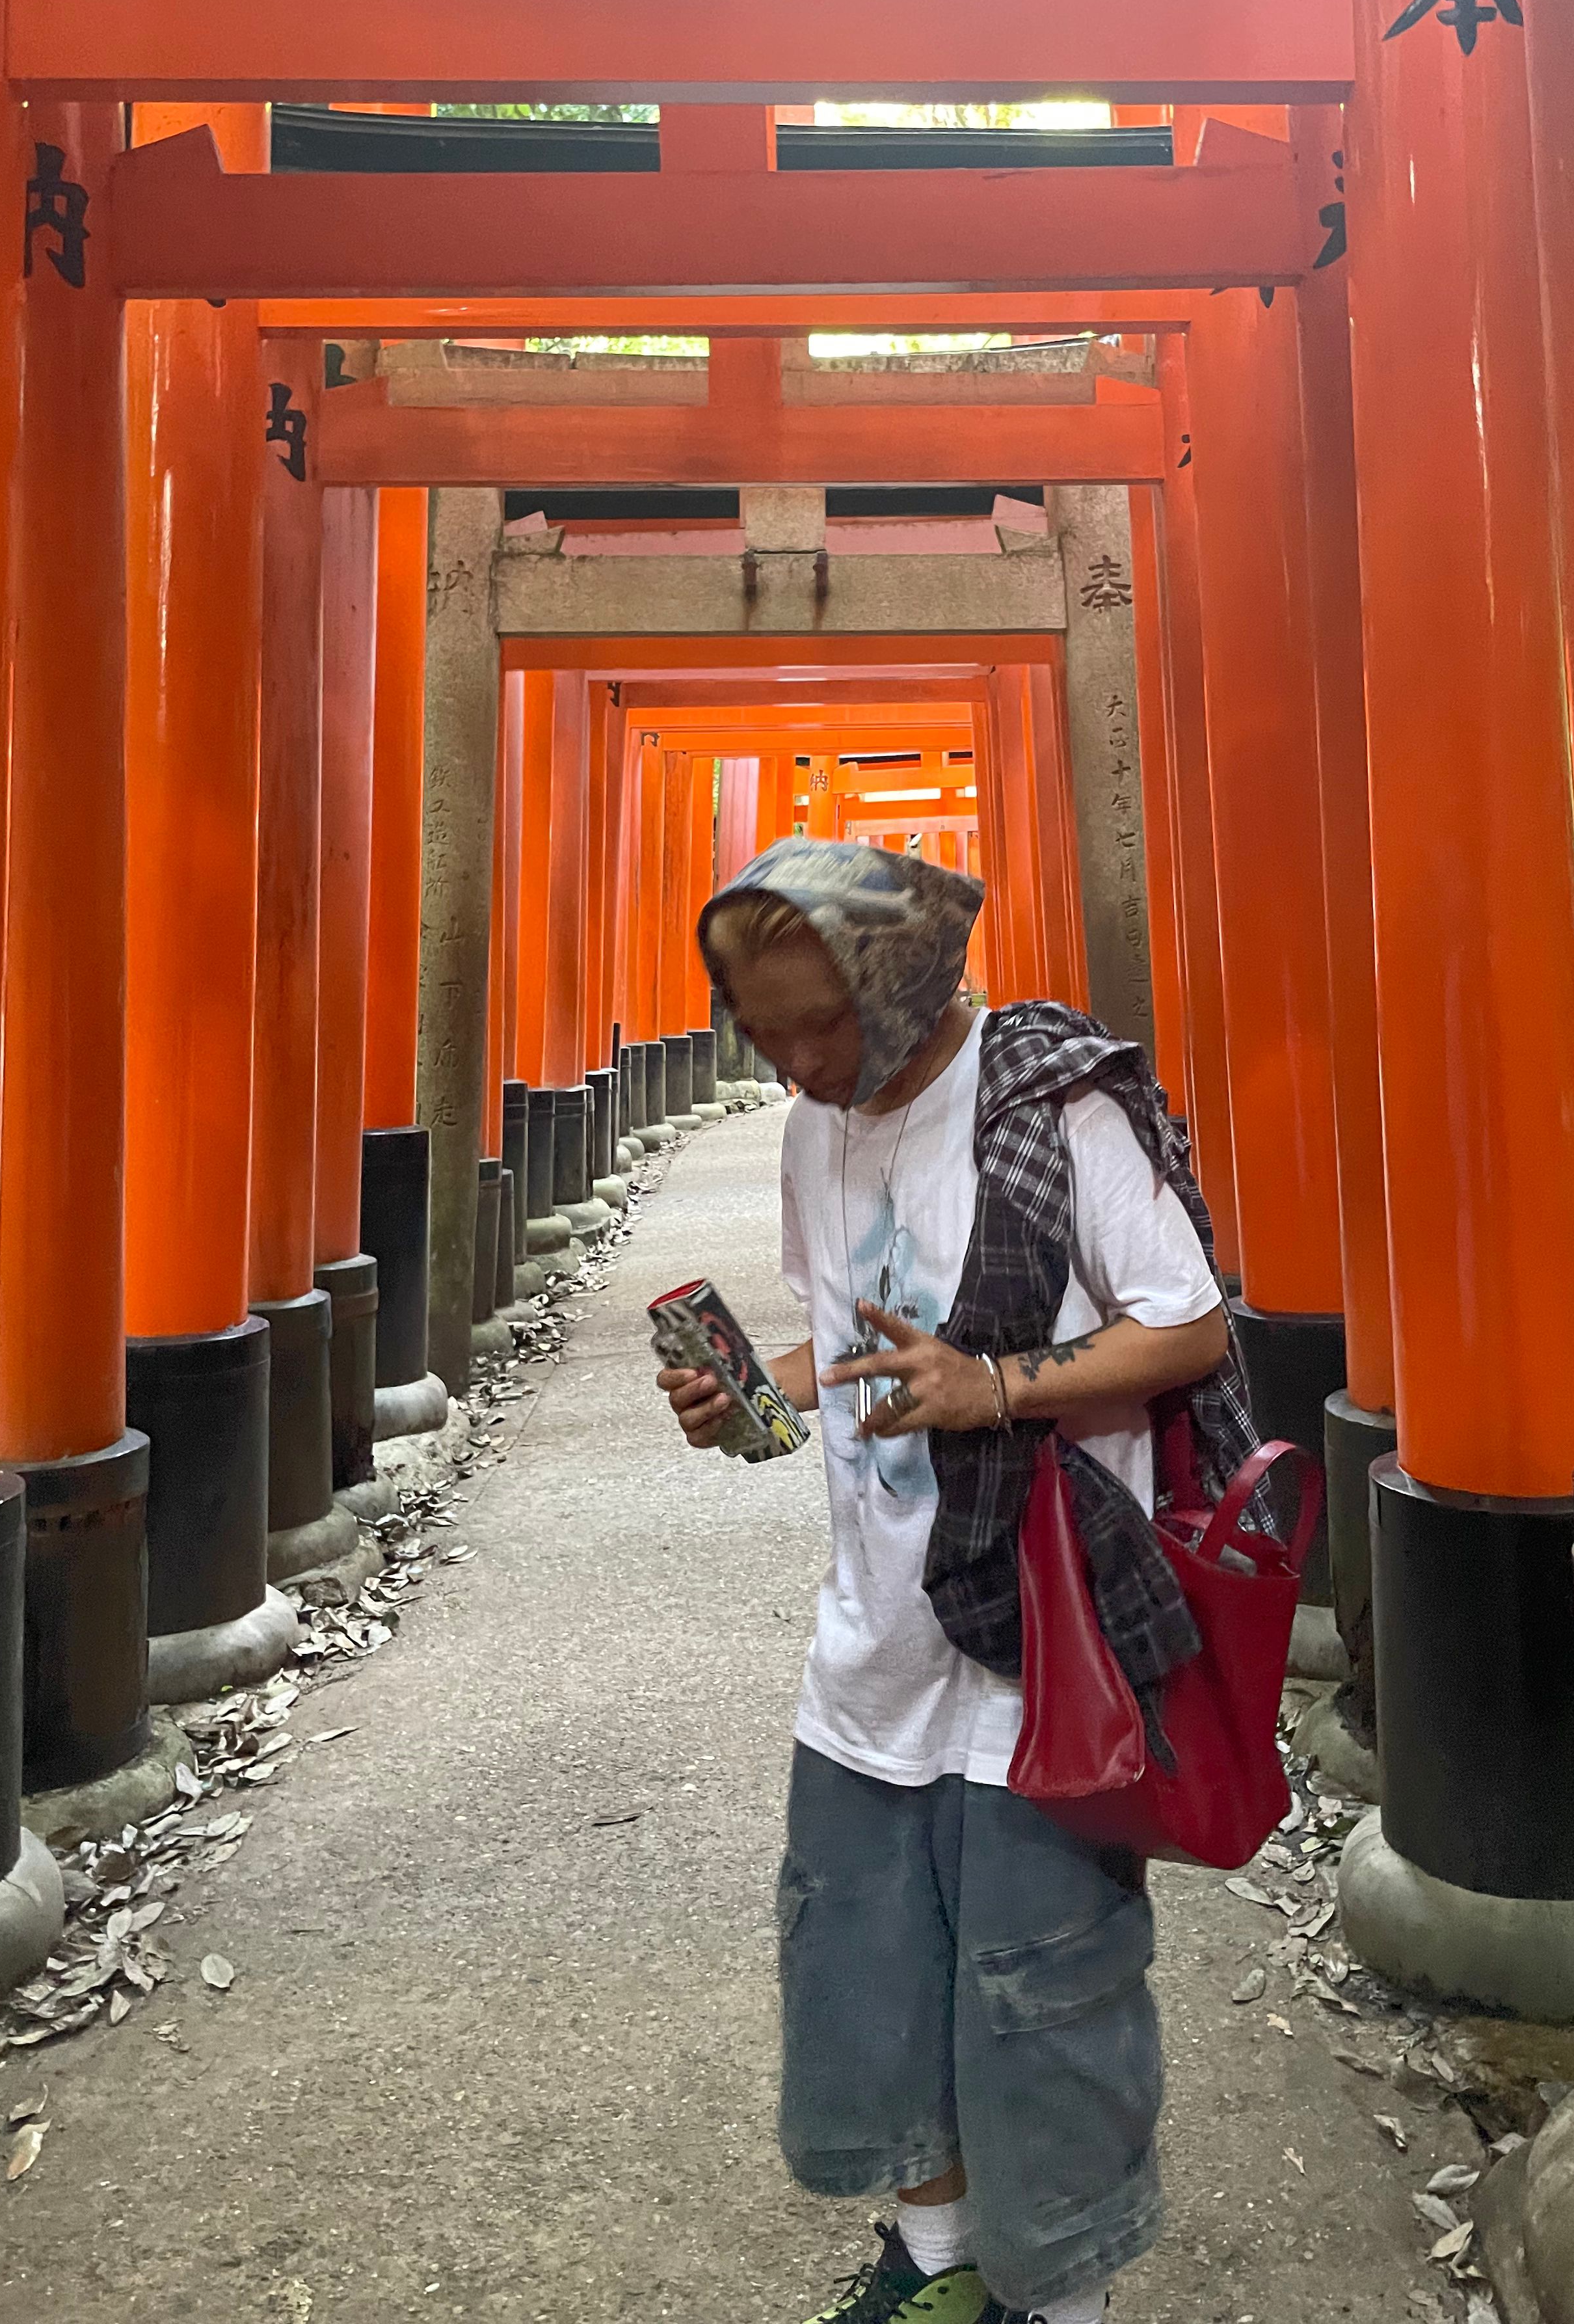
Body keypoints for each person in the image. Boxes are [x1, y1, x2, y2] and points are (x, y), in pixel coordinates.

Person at [657, 840, 1266, 2324]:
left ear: (909, 983)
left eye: (827, 1024)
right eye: (767, 1029)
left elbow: (1185, 1328)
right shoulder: (816, 1130)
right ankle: (935, 2265)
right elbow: (861, 1347)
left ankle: (1056, 2300)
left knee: (1043, 1996)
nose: (802, 1063)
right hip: (871, 1646)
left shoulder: (1050, 1109)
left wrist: (996, 1384)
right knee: (863, 1962)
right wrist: (762, 1399)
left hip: (1034, 1661)